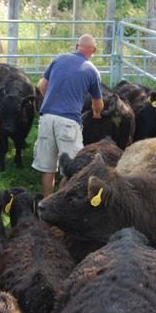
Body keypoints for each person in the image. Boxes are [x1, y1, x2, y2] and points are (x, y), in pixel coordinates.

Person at [32, 34, 103, 197]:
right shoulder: (92, 71)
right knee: (72, 168)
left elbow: (41, 85)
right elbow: (97, 103)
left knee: (48, 168)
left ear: (77, 46)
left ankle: (46, 202)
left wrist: (52, 100)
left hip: (47, 117)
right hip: (69, 122)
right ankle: (62, 204)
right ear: (94, 51)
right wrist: (97, 114)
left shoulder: (59, 58)